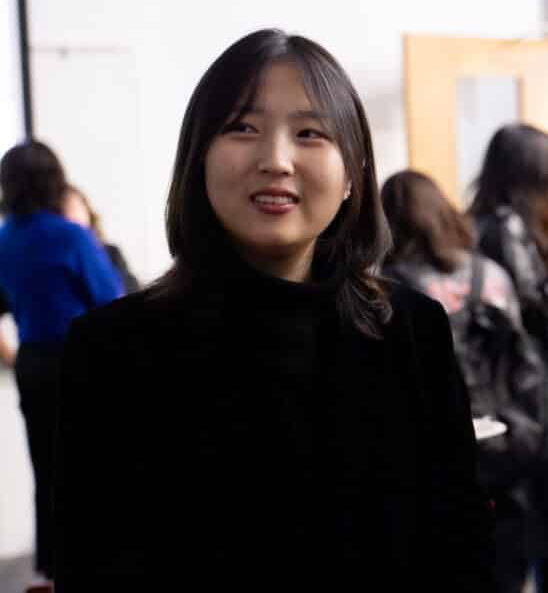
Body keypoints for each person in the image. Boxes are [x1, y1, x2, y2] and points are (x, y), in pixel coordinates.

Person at [53, 29, 495, 591]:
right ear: (198, 158)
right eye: (243, 128)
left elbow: (459, 543)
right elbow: (92, 562)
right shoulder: (112, 348)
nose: (276, 160)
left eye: (310, 133)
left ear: (353, 175)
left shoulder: (411, 329)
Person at [380, 169, 546, 593]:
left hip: (435, 457)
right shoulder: (491, 275)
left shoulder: (389, 290)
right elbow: (522, 359)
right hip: (505, 442)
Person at [469, 124, 548, 593]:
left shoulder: (484, 224)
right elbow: (533, 305)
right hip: (534, 388)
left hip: (511, 393)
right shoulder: (505, 228)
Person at [0, 141, 123, 583]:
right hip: (80, 362)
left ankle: (54, 572)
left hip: (32, 364)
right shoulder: (70, 236)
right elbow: (113, 303)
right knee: (94, 468)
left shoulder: (4, 239)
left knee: (46, 470)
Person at [62, 184, 141, 292]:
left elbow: (132, 291)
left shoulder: (111, 253)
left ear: (87, 211)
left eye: (73, 207)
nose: (69, 215)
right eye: (62, 211)